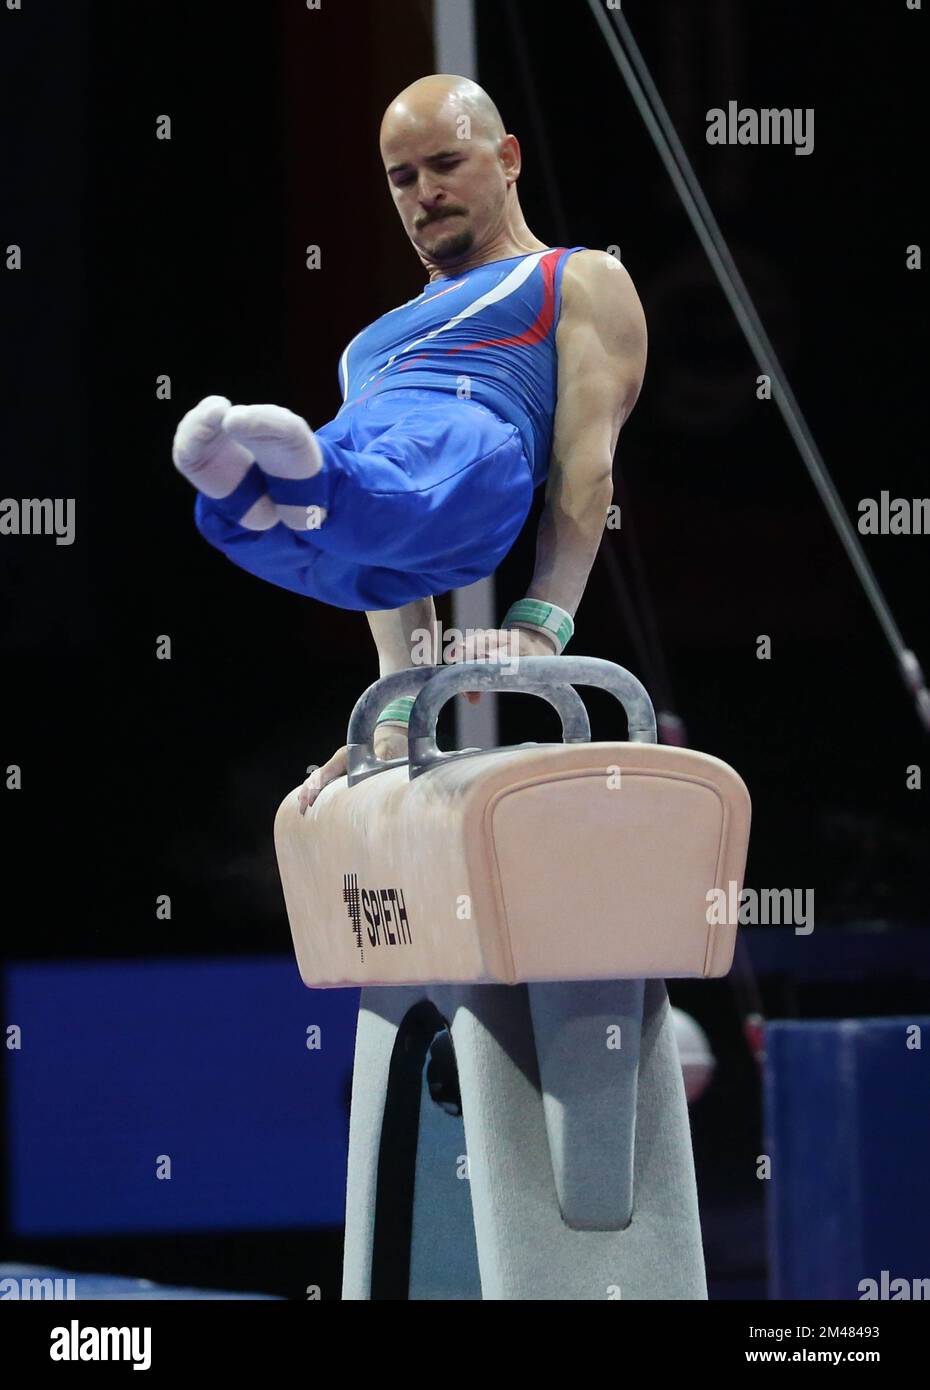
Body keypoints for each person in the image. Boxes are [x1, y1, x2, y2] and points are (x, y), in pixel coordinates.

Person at [171, 74, 647, 811]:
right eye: (402, 177)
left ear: (510, 157)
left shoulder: (574, 276)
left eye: (445, 164)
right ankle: (257, 491)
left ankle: (310, 478)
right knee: (323, 518)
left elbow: (586, 466)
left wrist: (540, 627)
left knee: (420, 456)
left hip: (476, 458)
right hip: (382, 501)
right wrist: (396, 717)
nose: (423, 191)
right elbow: (393, 564)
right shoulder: (366, 346)